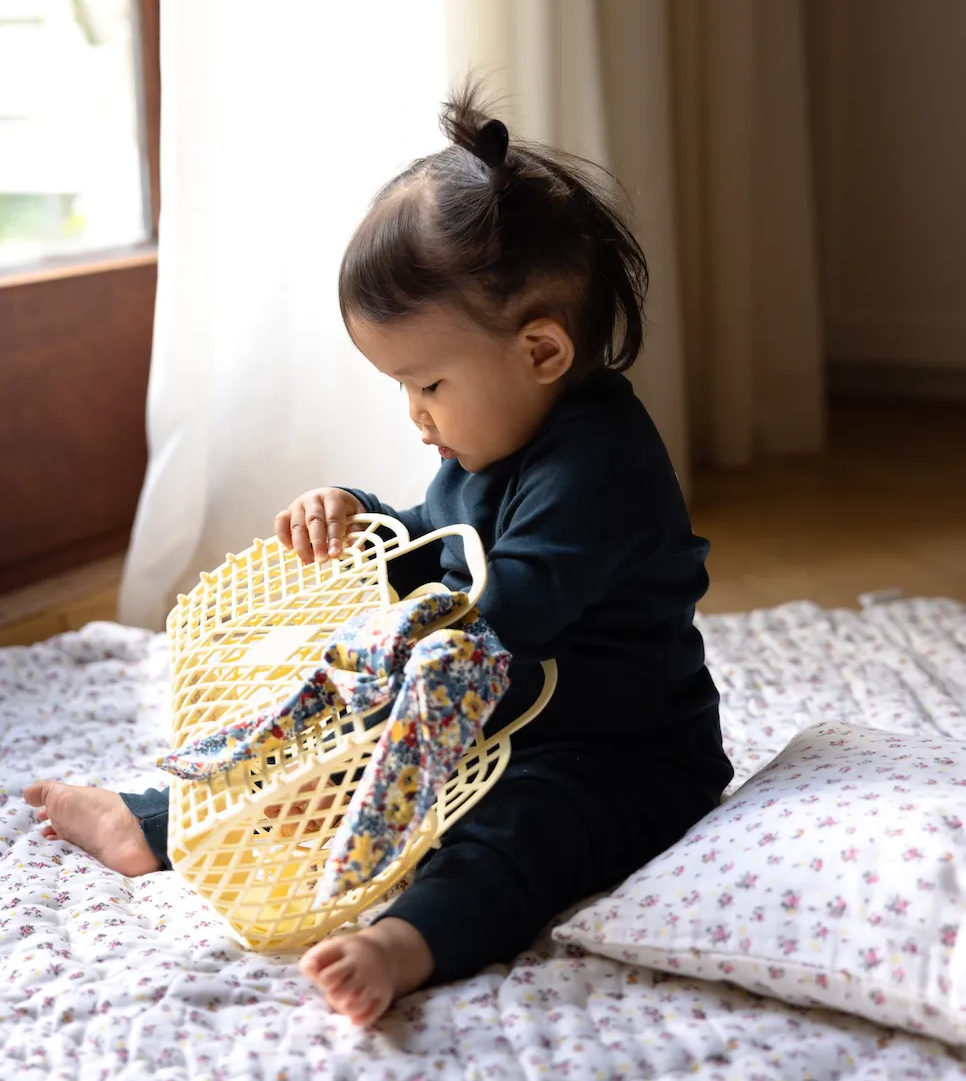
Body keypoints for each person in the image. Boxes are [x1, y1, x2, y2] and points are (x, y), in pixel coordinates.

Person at [24, 84, 733, 1026]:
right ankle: (158, 825)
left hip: (611, 753)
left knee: (517, 839)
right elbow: (435, 550)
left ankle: (408, 942)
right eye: (403, 387)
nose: (417, 415)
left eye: (429, 382)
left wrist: (380, 664)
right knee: (312, 762)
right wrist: (358, 522)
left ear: (544, 351)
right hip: (481, 722)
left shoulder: (604, 467)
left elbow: (503, 606)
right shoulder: (488, 439)